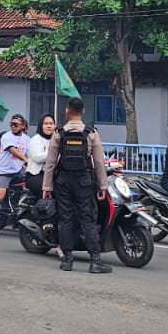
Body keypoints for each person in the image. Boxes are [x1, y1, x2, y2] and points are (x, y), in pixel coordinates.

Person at [43, 97, 110, 274]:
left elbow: (50, 163)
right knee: (88, 220)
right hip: (85, 181)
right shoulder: (91, 133)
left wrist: (46, 187)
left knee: (65, 219)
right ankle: (95, 261)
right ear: (83, 112)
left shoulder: (59, 133)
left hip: (63, 181)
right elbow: (99, 162)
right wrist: (103, 186)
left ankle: (67, 260)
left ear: (67, 111)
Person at [0, 113, 30, 234]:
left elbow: (30, 155)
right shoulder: (6, 137)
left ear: (22, 126)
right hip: (3, 171)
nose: (13, 126)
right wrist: (25, 160)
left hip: (18, 171)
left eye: (16, 124)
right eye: (11, 124)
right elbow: (13, 151)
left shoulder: (27, 140)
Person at [23, 114, 55, 197]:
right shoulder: (35, 139)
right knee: (46, 193)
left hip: (52, 175)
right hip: (36, 175)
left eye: (51, 123)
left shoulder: (56, 139)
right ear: (41, 125)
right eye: (46, 124)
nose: (49, 126)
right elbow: (37, 157)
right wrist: (55, 154)